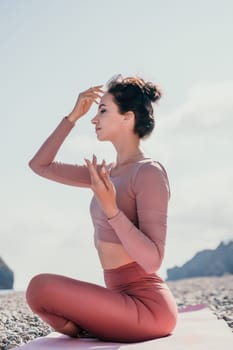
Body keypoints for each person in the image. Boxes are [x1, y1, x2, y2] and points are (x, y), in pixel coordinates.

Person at [26, 75, 178, 343]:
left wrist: (112, 210)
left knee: (41, 288)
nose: (94, 119)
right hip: (117, 298)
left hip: (148, 308)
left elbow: (153, 260)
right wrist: (72, 117)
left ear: (127, 117)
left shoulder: (148, 173)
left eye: (103, 110)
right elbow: (40, 165)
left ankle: (93, 327)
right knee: (38, 290)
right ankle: (94, 326)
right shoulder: (106, 173)